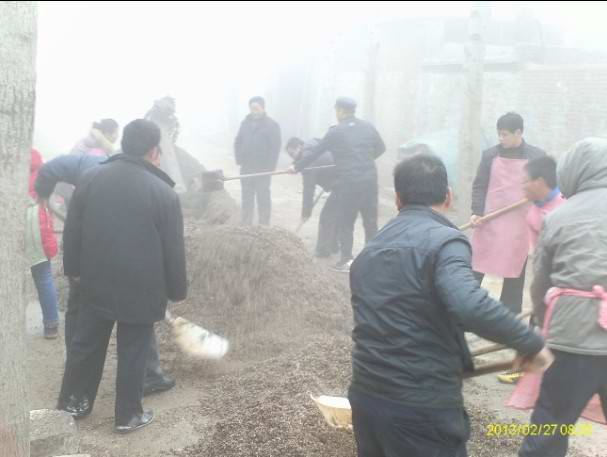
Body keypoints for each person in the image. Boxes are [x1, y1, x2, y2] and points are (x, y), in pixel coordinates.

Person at [349, 152, 552, 457]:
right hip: (420, 406)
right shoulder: (445, 241)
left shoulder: (370, 249)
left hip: (366, 397)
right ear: (448, 197)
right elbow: (468, 303)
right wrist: (530, 343)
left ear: (398, 199)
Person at [57, 119, 187, 433]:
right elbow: (173, 251)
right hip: (142, 289)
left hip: (95, 281)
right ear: (154, 151)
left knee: (86, 344)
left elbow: (72, 232)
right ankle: (128, 416)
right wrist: (177, 290)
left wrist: (73, 270)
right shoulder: (164, 194)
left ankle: (74, 403)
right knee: (133, 349)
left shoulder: (90, 178)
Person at [36, 153, 176, 395]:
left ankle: (79, 373)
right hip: (98, 258)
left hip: (91, 254)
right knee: (135, 317)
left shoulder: (93, 171)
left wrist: (43, 198)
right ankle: (147, 375)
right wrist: (43, 198)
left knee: (83, 311)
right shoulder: (107, 177)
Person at [518, 138, 607, 457]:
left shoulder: (559, 216)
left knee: (550, 427)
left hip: (571, 339)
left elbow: (540, 285)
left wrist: (544, 326)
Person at [290, 97, 385, 273]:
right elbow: (381, 148)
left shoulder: (336, 131)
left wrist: (296, 166)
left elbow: (315, 153)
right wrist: (362, 159)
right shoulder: (367, 126)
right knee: (370, 221)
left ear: (340, 111)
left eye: (336, 110)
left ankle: (346, 259)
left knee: (346, 221)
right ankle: (373, 261)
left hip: (349, 182)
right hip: (370, 180)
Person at [285, 137, 338, 257]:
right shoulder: (313, 145)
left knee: (327, 216)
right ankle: (334, 246)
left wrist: (306, 212)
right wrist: (295, 165)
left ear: (299, 146)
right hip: (343, 178)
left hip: (341, 182)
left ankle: (323, 250)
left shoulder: (308, 162)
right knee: (336, 214)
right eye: (290, 155)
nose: (292, 157)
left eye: (292, 153)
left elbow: (308, 189)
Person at [26, 149, 59, 339]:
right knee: (43, 275)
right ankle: (51, 324)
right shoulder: (41, 171)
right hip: (37, 224)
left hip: (16, 221)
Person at [234, 96, 281, 225]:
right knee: (247, 197)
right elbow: (237, 141)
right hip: (247, 167)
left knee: (263, 198)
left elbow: (275, 148)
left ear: (263, 108)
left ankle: (264, 226)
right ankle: (246, 224)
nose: (254, 111)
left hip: (263, 169)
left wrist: (270, 169)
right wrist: (239, 159)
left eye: (257, 108)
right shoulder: (245, 123)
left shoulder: (272, 125)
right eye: (252, 109)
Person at [523, 156, 566, 251]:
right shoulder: (532, 214)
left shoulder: (567, 205)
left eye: (525, 181)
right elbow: (537, 253)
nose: (523, 187)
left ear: (539, 182)